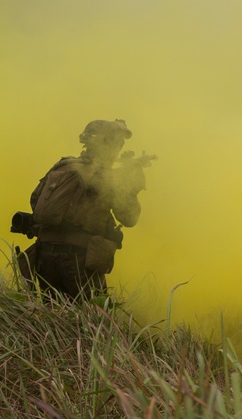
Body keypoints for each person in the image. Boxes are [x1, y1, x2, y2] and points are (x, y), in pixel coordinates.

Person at [17, 119, 152, 300]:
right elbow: (129, 218)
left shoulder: (63, 166)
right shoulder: (106, 177)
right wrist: (131, 187)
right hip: (78, 261)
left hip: (44, 257)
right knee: (94, 318)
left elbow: (35, 200)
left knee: (54, 312)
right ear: (107, 144)